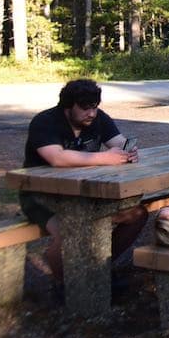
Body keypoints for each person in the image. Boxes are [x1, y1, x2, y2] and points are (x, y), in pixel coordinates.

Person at [21, 79, 147, 289]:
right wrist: (105, 158)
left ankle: (99, 269)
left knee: (137, 214)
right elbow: (57, 158)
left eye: (95, 107)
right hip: (42, 196)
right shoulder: (45, 122)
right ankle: (66, 286)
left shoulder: (97, 118)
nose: (91, 113)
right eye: (85, 108)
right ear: (68, 106)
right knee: (72, 229)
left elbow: (118, 142)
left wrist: (128, 151)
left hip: (86, 195)